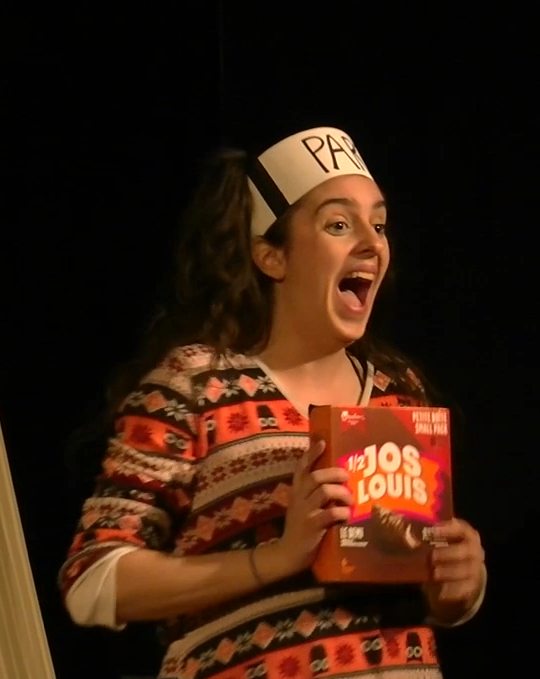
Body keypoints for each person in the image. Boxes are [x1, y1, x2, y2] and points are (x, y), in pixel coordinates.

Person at [59, 126, 487, 679]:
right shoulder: (195, 385)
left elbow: (423, 596)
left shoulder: (398, 395)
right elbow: (93, 580)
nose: (371, 243)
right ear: (271, 256)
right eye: (339, 224)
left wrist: (458, 586)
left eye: (379, 225)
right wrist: (277, 558)